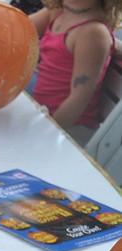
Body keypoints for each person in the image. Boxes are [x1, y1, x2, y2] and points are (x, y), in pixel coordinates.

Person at [29, 0, 122, 146]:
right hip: (42, 114)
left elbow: (78, 100)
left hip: (68, 131)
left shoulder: (92, 32)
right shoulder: (58, 11)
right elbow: (18, 29)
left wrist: (43, 134)